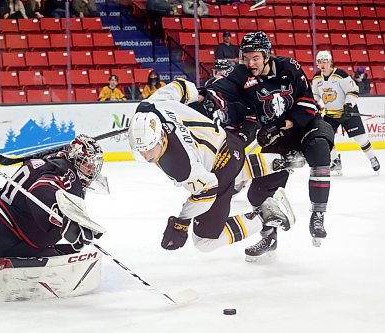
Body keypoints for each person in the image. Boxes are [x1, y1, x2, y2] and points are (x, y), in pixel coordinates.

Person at [128, 79, 306, 259]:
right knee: (230, 170)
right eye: (141, 150)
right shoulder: (149, 108)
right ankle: (281, 160)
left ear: (160, 137)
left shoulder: (178, 164)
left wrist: (182, 221)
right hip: (229, 143)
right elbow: (178, 87)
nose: (146, 155)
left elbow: (208, 189)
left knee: (204, 241)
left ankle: (265, 216)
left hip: (219, 167)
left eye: (150, 149)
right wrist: (198, 95)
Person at [205, 31, 335, 250]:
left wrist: (283, 125)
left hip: (305, 125)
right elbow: (215, 90)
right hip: (275, 137)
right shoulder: (240, 74)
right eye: (245, 57)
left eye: (255, 57)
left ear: (267, 56)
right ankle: (269, 237)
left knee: (319, 148)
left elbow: (308, 102)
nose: (250, 62)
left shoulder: (289, 67)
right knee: (256, 193)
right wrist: (200, 98)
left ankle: (318, 214)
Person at [0, 135, 104, 281]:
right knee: (58, 256)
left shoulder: (51, 161)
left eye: (93, 164)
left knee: (56, 247)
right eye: (87, 163)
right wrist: (61, 216)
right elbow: (41, 188)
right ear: (75, 159)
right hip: (6, 239)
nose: (91, 170)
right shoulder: (68, 173)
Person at [312, 51, 380, 175]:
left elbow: (353, 90)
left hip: (347, 112)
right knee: (325, 139)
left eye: (325, 61)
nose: (322, 64)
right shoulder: (317, 78)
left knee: (360, 139)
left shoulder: (340, 75)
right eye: (320, 62)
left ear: (330, 62)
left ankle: (372, 157)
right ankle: (335, 161)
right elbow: (315, 95)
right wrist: (314, 106)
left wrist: (348, 105)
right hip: (330, 114)